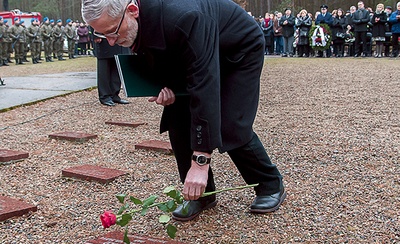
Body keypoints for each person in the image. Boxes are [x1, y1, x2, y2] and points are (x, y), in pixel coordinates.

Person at [82, 0, 286, 221]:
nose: (111, 43)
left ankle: (269, 184)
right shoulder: (133, 19)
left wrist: (201, 162)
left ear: (132, 10)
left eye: (112, 32)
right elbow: (155, 49)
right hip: (192, 50)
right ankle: (202, 194)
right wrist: (161, 85)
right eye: (103, 36)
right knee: (177, 115)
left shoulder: (185, 16)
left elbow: (204, 85)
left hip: (236, 49)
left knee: (229, 121)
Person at [91, 28, 131, 106]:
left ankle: (114, 94)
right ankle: (105, 96)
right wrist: (95, 35)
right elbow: (91, 17)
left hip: (118, 36)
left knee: (116, 67)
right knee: (104, 70)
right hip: (103, 37)